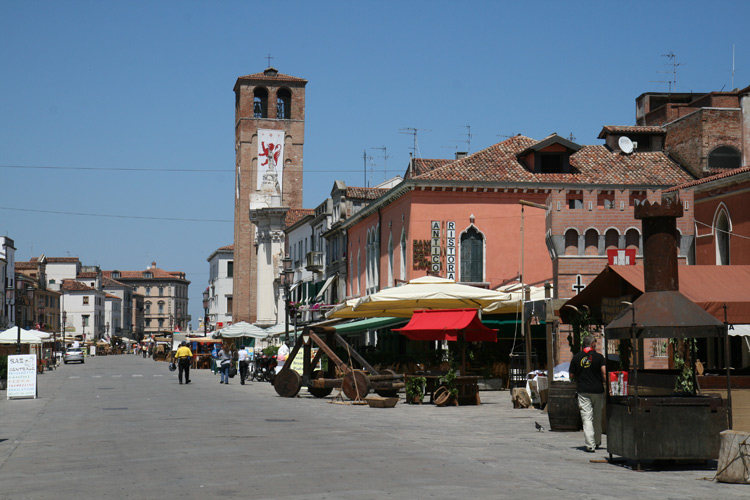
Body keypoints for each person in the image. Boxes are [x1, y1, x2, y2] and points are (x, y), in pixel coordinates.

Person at [570, 335, 606, 453]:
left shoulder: (576, 357)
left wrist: (580, 376)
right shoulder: (599, 357)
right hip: (597, 390)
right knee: (597, 417)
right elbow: (604, 373)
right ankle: (597, 441)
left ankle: (590, 445)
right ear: (592, 344)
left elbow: (571, 375)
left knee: (587, 418)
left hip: (583, 390)